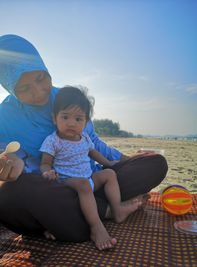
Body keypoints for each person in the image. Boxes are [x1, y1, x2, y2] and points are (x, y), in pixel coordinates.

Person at [0, 34, 168, 243]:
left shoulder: (68, 99)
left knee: (155, 163)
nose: (37, 90)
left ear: (44, 67)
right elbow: (5, 153)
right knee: (7, 196)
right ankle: (101, 212)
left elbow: (94, 143)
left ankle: (78, 217)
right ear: (9, 87)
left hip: (91, 179)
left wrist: (126, 159)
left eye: (40, 78)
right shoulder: (4, 117)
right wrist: (8, 163)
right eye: (24, 88)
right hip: (52, 188)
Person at [40, 86, 144, 250]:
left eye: (78, 119)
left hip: (89, 179)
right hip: (67, 182)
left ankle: (117, 210)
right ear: (55, 118)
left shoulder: (85, 137)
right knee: (83, 185)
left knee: (109, 174)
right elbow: (45, 162)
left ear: (86, 121)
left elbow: (94, 153)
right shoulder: (53, 141)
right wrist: (47, 171)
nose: (71, 123)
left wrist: (110, 164)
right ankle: (96, 227)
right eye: (65, 117)